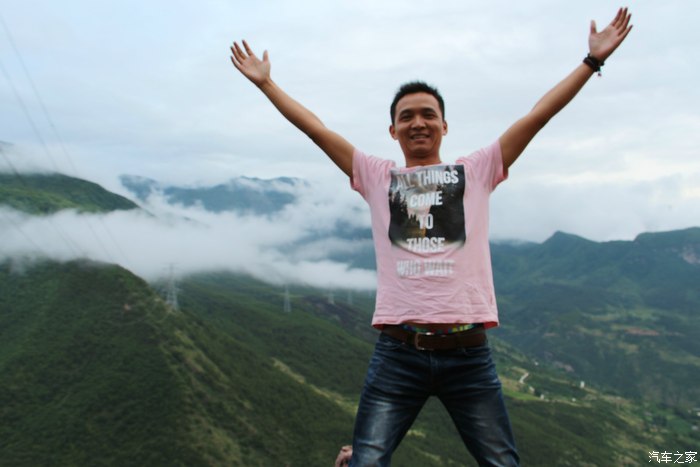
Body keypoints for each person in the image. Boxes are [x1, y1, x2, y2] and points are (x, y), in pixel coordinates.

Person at [231, 8, 632, 467]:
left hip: (468, 354)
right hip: (398, 352)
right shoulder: (376, 176)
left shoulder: (476, 171)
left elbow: (538, 116)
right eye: (407, 117)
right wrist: (266, 84)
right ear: (393, 130)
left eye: (428, 114)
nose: (418, 122)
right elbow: (315, 129)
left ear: (444, 125)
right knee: (367, 462)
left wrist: (591, 61)